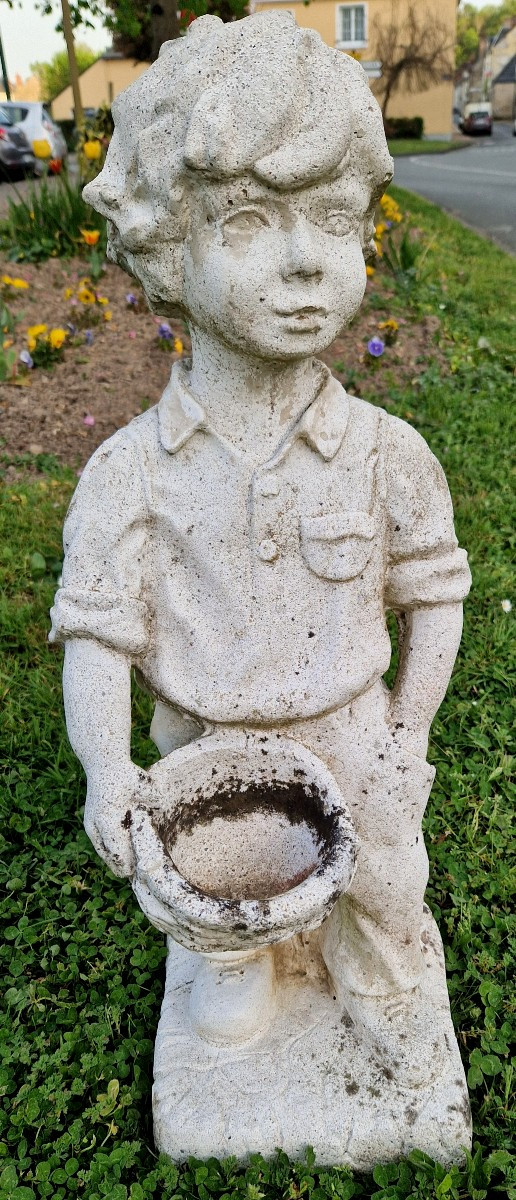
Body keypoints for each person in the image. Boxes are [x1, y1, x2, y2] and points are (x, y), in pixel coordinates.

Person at [50, 12, 471, 1082]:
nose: (303, 265)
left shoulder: (386, 454)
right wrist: (109, 770)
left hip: (353, 727)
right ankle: (240, 961)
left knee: (388, 890)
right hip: (205, 749)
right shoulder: (129, 474)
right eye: (246, 223)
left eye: (333, 220)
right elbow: (97, 640)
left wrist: (409, 733)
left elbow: (434, 596)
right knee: (218, 926)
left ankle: (373, 970)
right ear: (165, 249)